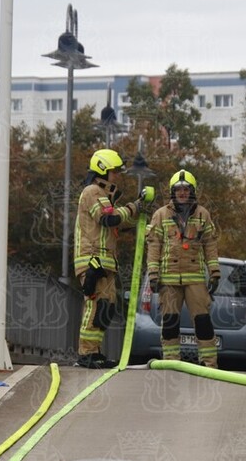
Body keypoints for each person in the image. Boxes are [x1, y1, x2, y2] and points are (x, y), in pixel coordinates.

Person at [73, 148, 150, 368]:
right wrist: (133, 207)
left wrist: (138, 214)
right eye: (115, 171)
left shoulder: (103, 196)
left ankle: (95, 352)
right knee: (95, 307)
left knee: (105, 309)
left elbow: (117, 222)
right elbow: (108, 218)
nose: (118, 175)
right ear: (103, 170)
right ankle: (86, 353)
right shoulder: (92, 191)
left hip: (104, 261)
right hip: (92, 260)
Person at [146, 169, 220, 368]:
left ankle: (209, 364)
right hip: (168, 279)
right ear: (172, 191)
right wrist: (153, 275)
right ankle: (171, 363)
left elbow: (210, 244)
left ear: (192, 191)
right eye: (178, 189)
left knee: (203, 321)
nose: (182, 193)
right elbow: (154, 246)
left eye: (186, 189)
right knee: (170, 322)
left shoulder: (203, 214)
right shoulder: (161, 215)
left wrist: (214, 273)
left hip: (195, 277)